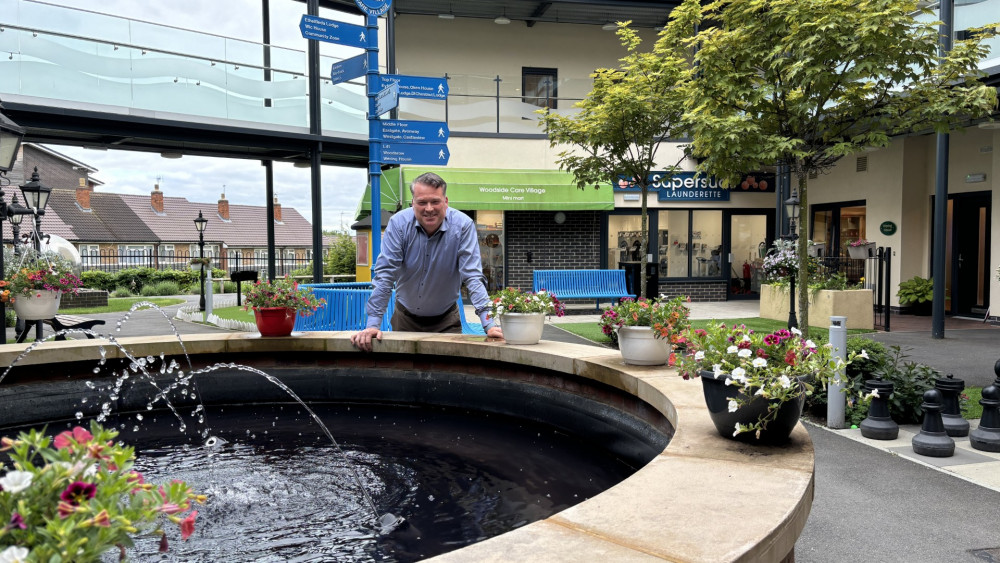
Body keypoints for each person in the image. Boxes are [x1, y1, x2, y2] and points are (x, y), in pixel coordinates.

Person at [351, 172, 504, 351]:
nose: (429, 208)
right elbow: (385, 275)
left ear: (445, 201)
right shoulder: (398, 224)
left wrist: (489, 324)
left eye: (435, 201)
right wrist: (372, 325)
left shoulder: (463, 226)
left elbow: (472, 277)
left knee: (449, 376)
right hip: (404, 319)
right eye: (422, 202)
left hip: (446, 321)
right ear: (412, 203)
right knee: (403, 374)